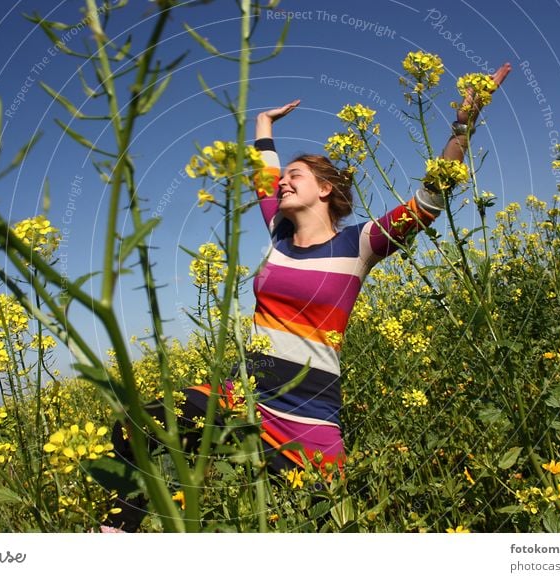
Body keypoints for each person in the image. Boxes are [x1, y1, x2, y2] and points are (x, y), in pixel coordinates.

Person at [105, 63, 512, 531]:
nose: (283, 182)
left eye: (295, 176)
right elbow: (264, 176)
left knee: (326, 526)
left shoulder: (359, 245)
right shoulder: (278, 235)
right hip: (244, 395)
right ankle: (116, 538)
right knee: (137, 428)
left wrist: (465, 122)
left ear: (325, 188)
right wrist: (263, 124)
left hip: (308, 415)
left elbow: (429, 199)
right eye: (284, 177)